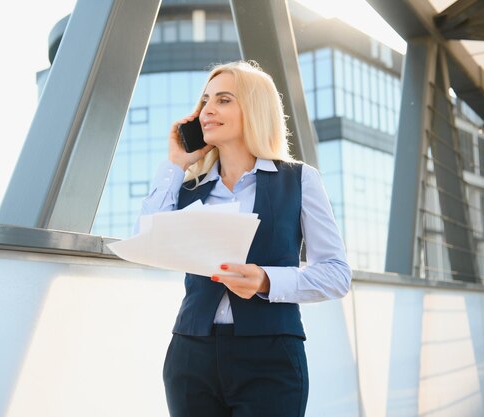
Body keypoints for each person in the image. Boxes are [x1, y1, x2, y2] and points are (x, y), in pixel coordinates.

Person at [137, 60, 351, 417]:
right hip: (191, 356)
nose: (207, 110)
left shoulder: (299, 180)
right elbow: (146, 238)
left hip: (270, 357)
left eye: (223, 100)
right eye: (204, 100)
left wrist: (267, 280)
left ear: (254, 108)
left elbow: (336, 274)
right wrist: (176, 163)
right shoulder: (188, 187)